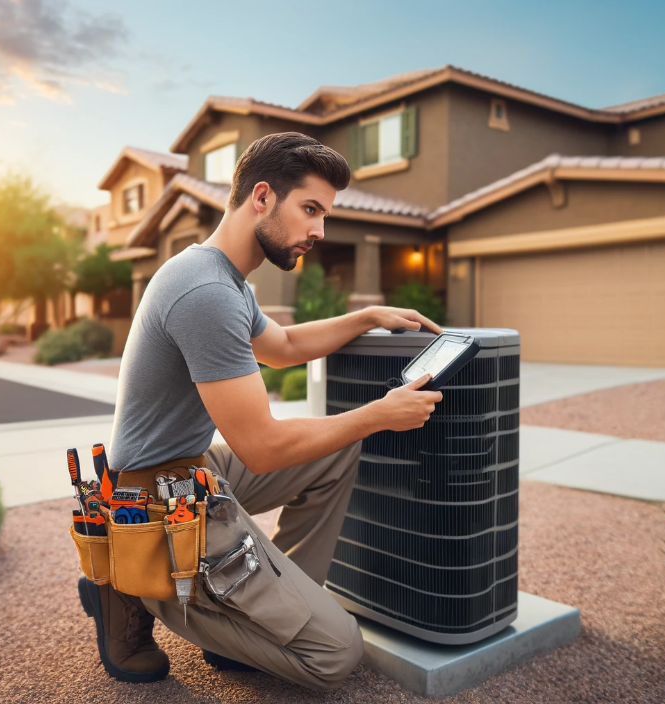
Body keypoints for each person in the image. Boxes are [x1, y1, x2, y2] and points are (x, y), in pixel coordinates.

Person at [80, 132, 443, 692]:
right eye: (311, 210)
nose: (320, 231)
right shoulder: (205, 292)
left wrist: (366, 315)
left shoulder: (228, 280)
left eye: (325, 214)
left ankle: (255, 614)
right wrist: (380, 414)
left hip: (196, 468)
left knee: (335, 447)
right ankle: (132, 582)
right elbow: (263, 448)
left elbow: (285, 348)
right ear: (264, 197)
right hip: (156, 498)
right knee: (335, 655)